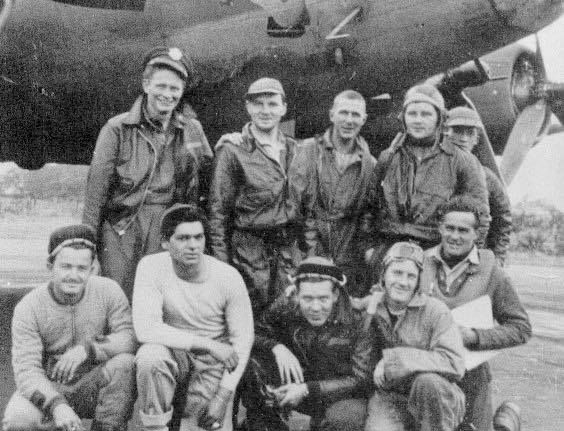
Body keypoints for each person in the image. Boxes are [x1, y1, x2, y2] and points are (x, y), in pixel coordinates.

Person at [115, 204, 253, 431]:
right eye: (183, 238)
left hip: (212, 366)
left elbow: (242, 340)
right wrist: (208, 344)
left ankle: (198, 423)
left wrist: (223, 396)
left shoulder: (227, 277)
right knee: (150, 356)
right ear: (165, 242)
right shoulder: (151, 267)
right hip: (176, 355)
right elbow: (146, 329)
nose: (193, 245)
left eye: (198, 237)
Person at [3, 225, 136, 431]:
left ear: (93, 268)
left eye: (81, 268)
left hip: (92, 383)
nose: (73, 275)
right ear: (50, 266)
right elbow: (26, 371)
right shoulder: (28, 307)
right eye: (65, 267)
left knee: (126, 364)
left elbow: (129, 338)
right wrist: (56, 405)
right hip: (52, 386)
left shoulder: (108, 291)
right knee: (18, 420)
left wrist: (88, 350)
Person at [83, 47, 213, 300]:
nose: (167, 95)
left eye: (174, 89)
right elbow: (95, 194)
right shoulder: (117, 129)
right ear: (146, 84)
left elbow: (206, 183)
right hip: (122, 225)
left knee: (160, 299)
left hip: (167, 225)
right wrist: (86, 246)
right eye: (161, 86)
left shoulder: (192, 130)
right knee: (117, 297)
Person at [420, 196, 531, 431]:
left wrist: (474, 336)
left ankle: (507, 422)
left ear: (477, 234)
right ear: (440, 228)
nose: (455, 236)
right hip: (427, 371)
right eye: (450, 228)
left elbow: (520, 328)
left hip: (471, 375)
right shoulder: (420, 263)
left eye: (463, 230)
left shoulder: (492, 271)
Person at [238, 256, 373, 431]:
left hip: (337, 394)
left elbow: (360, 379)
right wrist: (276, 346)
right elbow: (251, 331)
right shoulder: (286, 305)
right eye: (307, 299)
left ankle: (330, 430)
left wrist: (308, 389)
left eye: (323, 298)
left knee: (343, 424)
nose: (315, 307)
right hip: (297, 384)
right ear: (296, 295)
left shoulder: (358, 320)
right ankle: (269, 428)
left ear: (336, 294)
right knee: (250, 362)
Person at [359, 241, 466, 431]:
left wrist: (396, 359)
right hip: (393, 397)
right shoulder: (371, 307)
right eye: (396, 273)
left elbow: (454, 363)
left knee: (427, 382)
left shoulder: (435, 311)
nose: (403, 282)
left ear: (419, 280)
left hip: (438, 398)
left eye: (411, 275)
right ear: (383, 275)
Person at [367, 83, 489, 276]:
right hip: (388, 251)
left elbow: (480, 217)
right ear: (403, 118)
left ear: (439, 119)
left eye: (426, 114)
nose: (418, 120)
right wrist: (370, 250)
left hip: (436, 254)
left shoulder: (462, 161)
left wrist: (462, 258)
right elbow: (368, 207)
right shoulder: (388, 157)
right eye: (412, 114)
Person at [208, 77, 301, 313]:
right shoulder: (232, 150)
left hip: (287, 252)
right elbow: (218, 214)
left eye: (272, 103)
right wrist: (222, 268)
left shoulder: (295, 150)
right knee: (253, 322)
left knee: (288, 316)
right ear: (248, 108)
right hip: (248, 255)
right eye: (258, 104)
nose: (265, 110)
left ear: (284, 108)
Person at [291, 91, 377, 299]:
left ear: (363, 119)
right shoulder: (308, 151)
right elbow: (294, 207)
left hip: (347, 254)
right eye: (343, 113)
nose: (349, 120)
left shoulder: (369, 164)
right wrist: (306, 252)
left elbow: (367, 214)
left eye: (355, 115)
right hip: (308, 247)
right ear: (332, 115)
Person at [445, 106, 512, 264]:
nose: (463, 138)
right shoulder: (434, 170)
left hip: (471, 256)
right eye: (458, 131)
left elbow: (503, 219)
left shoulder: (487, 177)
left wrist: (497, 259)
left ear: (476, 139)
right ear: (445, 133)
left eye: (470, 133)